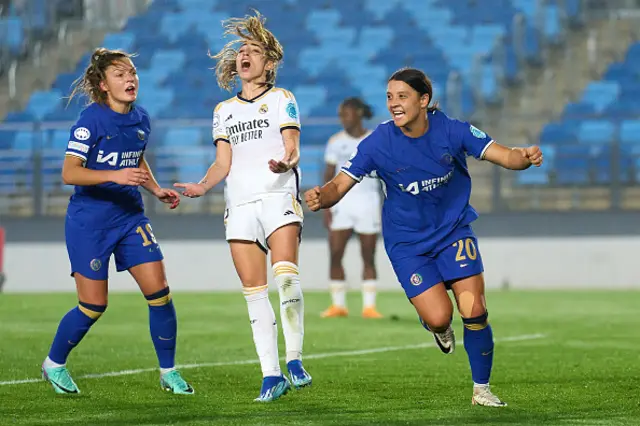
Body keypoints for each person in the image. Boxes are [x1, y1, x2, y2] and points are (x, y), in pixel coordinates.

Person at [305, 67, 543, 407]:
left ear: (423, 100)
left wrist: (524, 158)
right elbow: (340, 184)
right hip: (407, 245)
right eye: (389, 97)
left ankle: (482, 390)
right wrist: (322, 197)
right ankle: (435, 324)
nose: (394, 104)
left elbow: (503, 154)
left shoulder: (452, 130)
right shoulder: (378, 142)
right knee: (439, 317)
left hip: (453, 230)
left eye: (402, 96)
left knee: (474, 309)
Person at [174, 12, 311, 402]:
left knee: (285, 277)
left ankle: (296, 358)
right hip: (240, 204)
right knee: (254, 293)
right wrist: (202, 185)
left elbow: (292, 146)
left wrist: (287, 162)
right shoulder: (223, 111)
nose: (244, 55)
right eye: (241, 51)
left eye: (253, 51)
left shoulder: (282, 99)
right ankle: (271, 375)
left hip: (277, 194)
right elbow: (223, 162)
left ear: (269, 63)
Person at [41, 48, 193, 395]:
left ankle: (169, 372)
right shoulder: (89, 121)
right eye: (120, 74)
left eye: (133, 73)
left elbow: (135, 162)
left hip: (129, 217)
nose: (130, 79)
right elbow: (70, 172)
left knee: (160, 293)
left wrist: (155, 190)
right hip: (90, 222)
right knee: (93, 305)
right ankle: (54, 363)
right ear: (103, 84)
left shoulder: (141, 119)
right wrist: (115, 175)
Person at [321, 97, 383, 319]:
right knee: (336, 253)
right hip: (342, 204)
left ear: (358, 113)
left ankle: (369, 307)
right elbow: (329, 175)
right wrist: (326, 207)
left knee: (369, 255)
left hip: (368, 202)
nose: (343, 119)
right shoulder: (335, 141)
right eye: (341, 115)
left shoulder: (375, 139)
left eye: (346, 114)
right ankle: (338, 305)